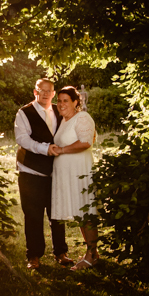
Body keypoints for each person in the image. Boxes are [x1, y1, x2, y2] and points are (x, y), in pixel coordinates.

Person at [14, 78, 75, 270]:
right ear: (35, 92)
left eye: (50, 91)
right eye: (42, 90)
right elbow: (22, 139)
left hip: (56, 171)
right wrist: (45, 149)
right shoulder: (24, 113)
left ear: (54, 93)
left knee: (57, 214)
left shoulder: (60, 109)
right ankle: (34, 256)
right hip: (31, 171)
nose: (46, 94)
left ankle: (61, 252)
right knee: (33, 215)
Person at [51, 86, 100, 270]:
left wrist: (62, 150)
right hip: (67, 175)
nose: (61, 104)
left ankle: (90, 255)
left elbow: (86, 141)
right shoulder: (64, 121)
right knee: (80, 215)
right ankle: (93, 254)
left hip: (80, 172)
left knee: (86, 214)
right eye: (59, 101)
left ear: (75, 102)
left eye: (66, 100)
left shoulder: (82, 117)